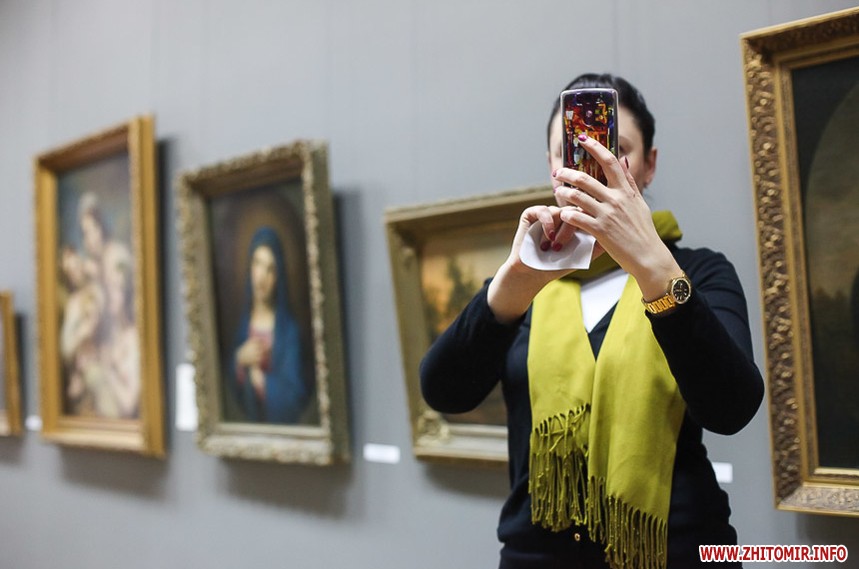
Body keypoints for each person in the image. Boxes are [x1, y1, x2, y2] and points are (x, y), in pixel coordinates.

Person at [420, 73, 764, 569]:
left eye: (615, 150)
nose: (595, 166)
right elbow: (444, 391)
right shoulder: (529, 281)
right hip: (536, 556)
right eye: (573, 152)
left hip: (676, 552)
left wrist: (653, 266)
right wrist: (513, 283)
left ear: (648, 165)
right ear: (552, 166)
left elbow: (731, 409)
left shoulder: (697, 272)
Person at [230, 226, 310, 424]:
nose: (262, 277)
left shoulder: (289, 332)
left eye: (270, 269)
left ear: (278, 277)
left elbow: (295, 397)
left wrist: (261, 381)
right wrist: (239, 360)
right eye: (257, 263)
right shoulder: (241, 328)